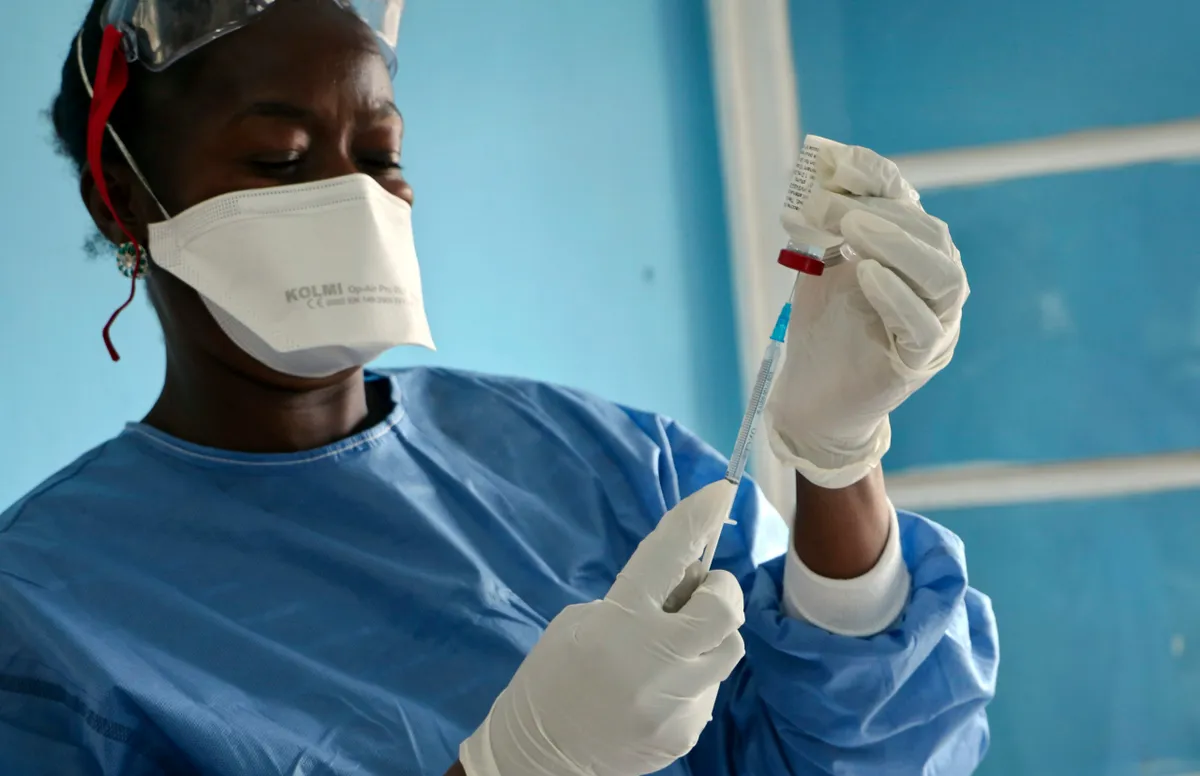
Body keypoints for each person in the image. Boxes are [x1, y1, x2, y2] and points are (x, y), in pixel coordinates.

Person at [0, 1, 997, 774]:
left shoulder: (605, 462)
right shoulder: (43, 609)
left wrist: (839, 461)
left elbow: (864, 752)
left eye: (381, 156)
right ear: (123, 199)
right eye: (280, 159)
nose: (350, 196)